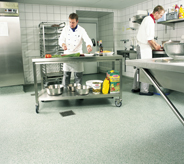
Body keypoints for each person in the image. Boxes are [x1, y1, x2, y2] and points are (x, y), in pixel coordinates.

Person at [132, 5, 165, 96]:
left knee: (139, 68)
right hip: (144, 48)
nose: (161, 17)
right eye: (161, 15)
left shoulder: (147, 19)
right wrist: (156, 47)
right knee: (145, 68)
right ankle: (144, 90)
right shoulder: (150, 21)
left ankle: (135, 87)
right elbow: (150, 40)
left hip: (141, 46)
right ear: (156, 13)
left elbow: (150, 39)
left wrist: (156, 44)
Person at [59, 13, 93, 87]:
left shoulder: (81, 30)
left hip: (77, 55)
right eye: (70, 22)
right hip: (67, 55)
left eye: (73, 22)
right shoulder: (65, 29)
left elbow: (87, 39)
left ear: (77, 21)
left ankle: (79, 92)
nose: (71, 24)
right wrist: (63, 44)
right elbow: (61, 39)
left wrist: (89, 46)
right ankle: (65, 92)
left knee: (78, 76)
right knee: (66, 76)